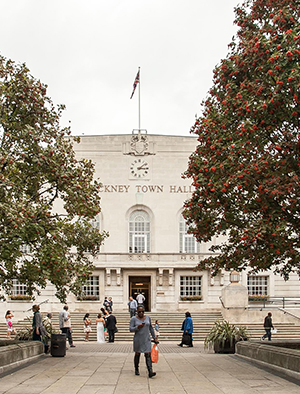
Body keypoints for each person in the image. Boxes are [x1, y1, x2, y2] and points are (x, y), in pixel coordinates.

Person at [129, 305, 158, 378]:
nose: (141, 313)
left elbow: (150, 328)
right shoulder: (134, 319)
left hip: (146, 339)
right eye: (139, 312)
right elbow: (131, 329)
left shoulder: (147, 318)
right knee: (137, 354)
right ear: (137, 311)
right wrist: (137, 327)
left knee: (147, 354)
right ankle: (136, 369)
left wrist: (154, 338)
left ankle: (150, 371)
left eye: (142, 311)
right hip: (138, 339)